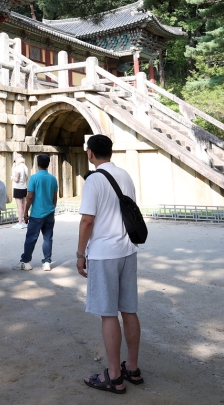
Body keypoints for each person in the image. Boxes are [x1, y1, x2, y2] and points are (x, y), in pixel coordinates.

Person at [77, 134, 142, 394]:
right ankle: (132, 368)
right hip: (128, 249)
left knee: (108, 313)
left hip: (104, 253)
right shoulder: (125, 175)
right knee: (129, 310)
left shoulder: (94, 180)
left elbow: (87, 221)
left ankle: (114, 375)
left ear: (90, 154)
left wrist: (80, 254)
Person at [14, 154, 59, 271]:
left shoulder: (34, 178)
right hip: (49, 212)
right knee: (48, 238)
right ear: (48, 164)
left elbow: (30, 196)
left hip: (36, 214)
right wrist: (52, 208)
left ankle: (26, 261)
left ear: (37, 164)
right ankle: (47, 262)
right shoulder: (53, 179)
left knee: (31, 238)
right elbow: (55, 197)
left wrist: (25, 211)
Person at [11, 154, 30, 229]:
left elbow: (16, 179)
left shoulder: (17, 168)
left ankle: (20, 222)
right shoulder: (25, 167)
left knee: (19, 206)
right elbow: (26, 178)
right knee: (23, 205)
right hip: (24, 187)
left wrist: (11, 177)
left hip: (18, 187)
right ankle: (24, 221)